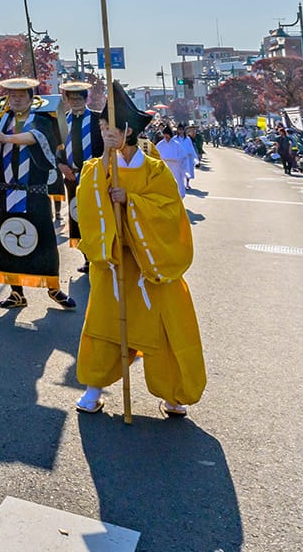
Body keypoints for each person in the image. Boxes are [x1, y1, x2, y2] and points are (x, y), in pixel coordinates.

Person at [74, 86, 206, 417]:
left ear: (128, 131)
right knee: (105, 325)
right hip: (115, 263)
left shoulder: (155, 169)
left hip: (151, 265)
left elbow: (167, 210)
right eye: (102, 128)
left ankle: (173, 393)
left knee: (164, 325)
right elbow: (88, 199)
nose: (105, 133)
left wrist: (130, 203)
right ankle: (93, 389)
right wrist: (107, 171)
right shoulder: (98, 167)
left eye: (111, 128)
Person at [0, 77, 73, 311]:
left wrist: (6, 138)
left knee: (44, 241)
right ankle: (16, 292)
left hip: (33, 192)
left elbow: (35, 138)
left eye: (22, 96)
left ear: (32, 99)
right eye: (13, 96)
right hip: (5, 192)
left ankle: (53, 287)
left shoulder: (41, 121)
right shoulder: (2, 120)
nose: (17, 100)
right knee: (7, 240)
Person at [54, 81, 104, 253]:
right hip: (72, 176)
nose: (75, 101)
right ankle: (86, 254)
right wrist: (61, 166)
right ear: (67, 99)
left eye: (79, 98)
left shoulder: (98, 119)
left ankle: (99, 252)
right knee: (77, 214)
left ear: (86, 99)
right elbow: (56, 148)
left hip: (96, 175)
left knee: (96, 214)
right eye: (71, 98)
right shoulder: (62, 121)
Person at [156, 126, 198, 196]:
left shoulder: (176, 144)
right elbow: (155, 155)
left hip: (175, 168)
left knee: (177, 183)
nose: (166, 137)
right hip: (164, 167)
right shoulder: (160, 144)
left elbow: (183, 156)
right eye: (164, 135)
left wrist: (175, 159)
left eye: (167, 135)